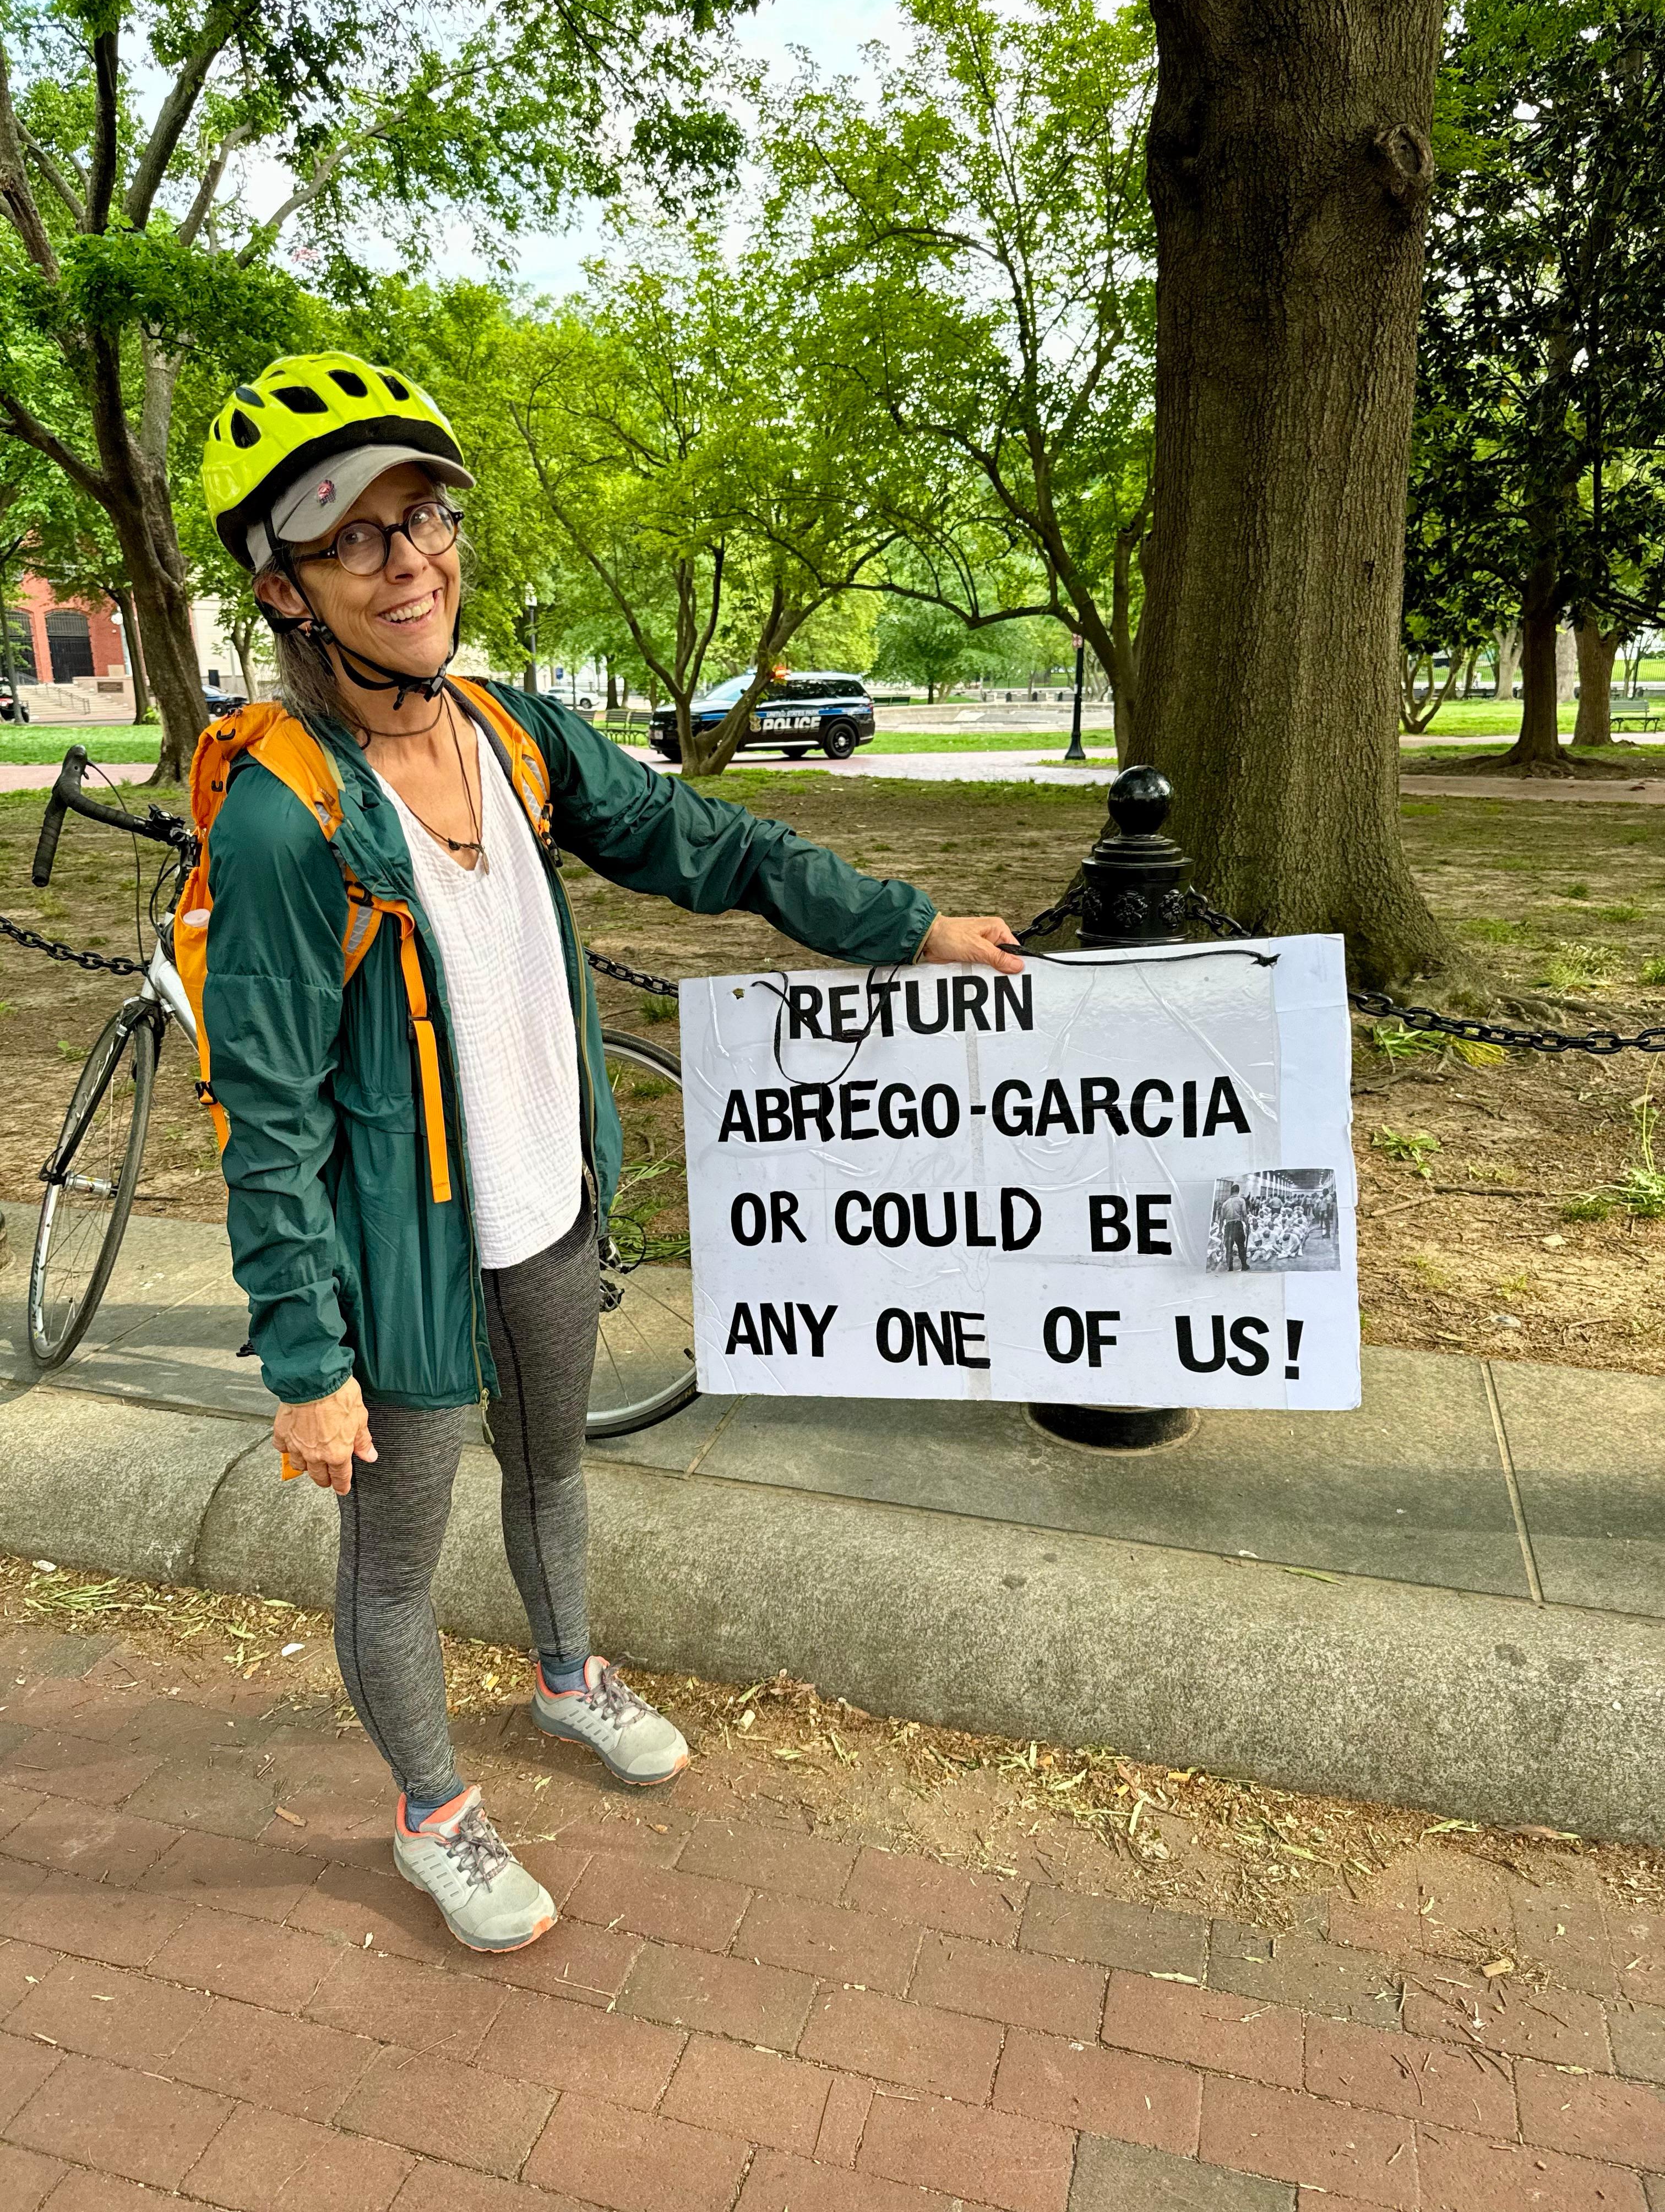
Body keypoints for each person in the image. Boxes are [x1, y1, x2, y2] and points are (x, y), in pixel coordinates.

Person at [198, 352, 1024, 1953]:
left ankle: (567, 1675)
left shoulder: (513, 736)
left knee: (560, 1469)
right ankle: (436, 1815)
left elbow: (708, 841)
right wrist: (305, 1351)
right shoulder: (286, 816)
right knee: (397, 1561)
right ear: (285, 584)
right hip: (402, 1271)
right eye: (354, 536)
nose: (411, 559)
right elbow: (273, 1113)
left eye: (423, 516)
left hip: (550, 1216)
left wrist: (902, 928)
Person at [1218, 1181, 1250, 1272]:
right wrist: (1247, 1226)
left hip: (1228, 1227)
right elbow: (1244, 1215)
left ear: (1231, 1192)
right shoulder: (1241, 1201)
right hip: (1238, 1226)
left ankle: (1230, 1267)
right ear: (1238, 1191)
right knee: (1241, 1246)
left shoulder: (1225, 1203)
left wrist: (1220, 1230)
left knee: (1229, 1248)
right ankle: (1244, 1265)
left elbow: (1221, 1219)